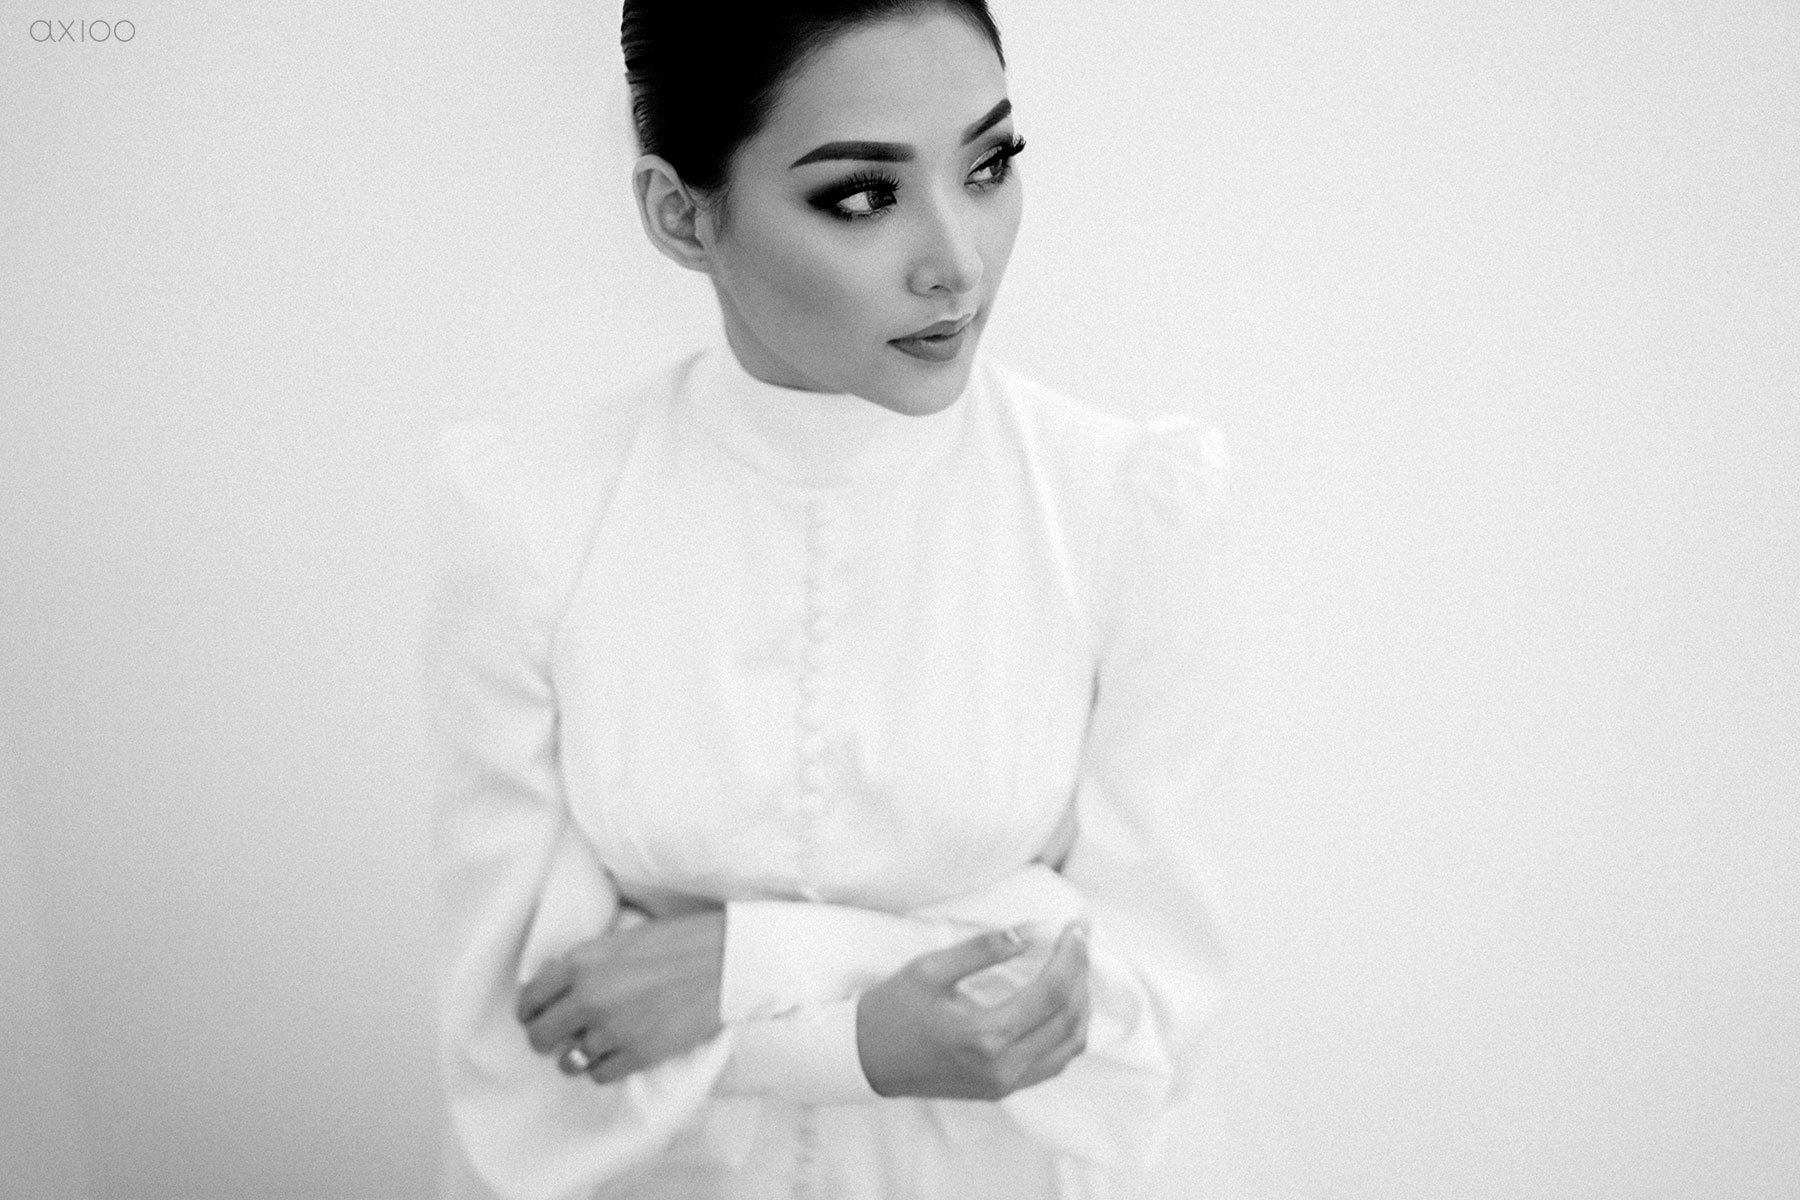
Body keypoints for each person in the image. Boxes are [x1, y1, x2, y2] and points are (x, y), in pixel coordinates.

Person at [423, 2, 1236, 1196]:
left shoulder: (1125, 507)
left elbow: (1138, 1029)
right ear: (680, 214)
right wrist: (877, 1028)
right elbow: (520, 1051)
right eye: (861, 195)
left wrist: (740, 967)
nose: (958, 261)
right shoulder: (529, 517)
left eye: (989, 164)